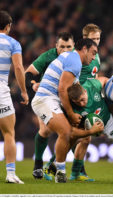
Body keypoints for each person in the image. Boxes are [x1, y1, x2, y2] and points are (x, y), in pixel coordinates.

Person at [36, 24, 102, 182]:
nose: (93, 58)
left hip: (52, 99)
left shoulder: (72, 59)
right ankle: (58, 170)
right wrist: (71, 114)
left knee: (71, 133)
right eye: (93, 53)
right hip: (46, 98)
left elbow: (68, 89)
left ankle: (55, 168)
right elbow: (62, 89)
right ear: (84, 49)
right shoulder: (75, 60)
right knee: (66, 132)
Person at [0, 11, 29, 184]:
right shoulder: (13, 43)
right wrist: (24, 91)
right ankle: (10, 174)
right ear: (8, 26)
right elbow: (18, 67)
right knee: (9, 133)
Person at [25, 32, 75, 179]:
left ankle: (70, 167)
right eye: (62, 47)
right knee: (46, 130)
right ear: (56, 46)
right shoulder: (48, 56)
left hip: (66, 98)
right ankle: (39, 164)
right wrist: (33, 85)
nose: (65, 50)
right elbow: (28, 73)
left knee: (73, 131)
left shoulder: (76, 59)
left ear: (74, 47)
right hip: (47, 97)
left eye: (68, 47)